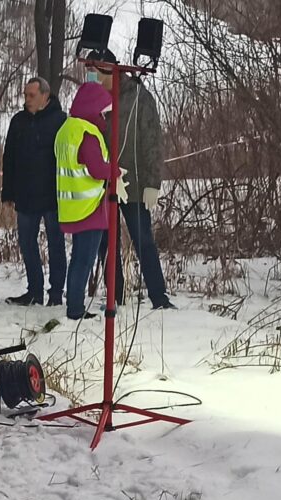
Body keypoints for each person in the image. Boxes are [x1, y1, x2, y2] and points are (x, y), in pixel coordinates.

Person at [95, 53, 175, 310]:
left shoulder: (140, 98)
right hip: (104, 184)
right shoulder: (94, 99)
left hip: (135, 184)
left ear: (113, 72)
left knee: (142, 239)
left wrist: (153, 182)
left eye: (99, 72)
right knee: (106, 243)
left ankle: (159, 297)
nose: (95, 78)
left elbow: (152, 141)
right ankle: (114, 297)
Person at [1, 76, 67, 307]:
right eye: (25, 95)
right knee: (27, 243)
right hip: (26, 193)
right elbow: (9, 158)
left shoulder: (60, 120)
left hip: (52, 195)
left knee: (56, 244)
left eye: (31, 95)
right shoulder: (18, 121)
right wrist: (7, 192)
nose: (27, 99)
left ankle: (56, 293)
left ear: (45, 96)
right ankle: (34, 291)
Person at [56, 82, 118, 321]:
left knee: (78, 259)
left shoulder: (67, 129)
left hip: (71, 205)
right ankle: (75, 309)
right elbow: (96, 169)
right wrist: (115, 171)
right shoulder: (88, 133)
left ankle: (74, 304)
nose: (105, 115)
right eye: (103, 110)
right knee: (84, 260)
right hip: (89, 207)